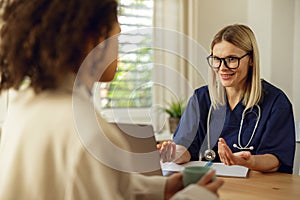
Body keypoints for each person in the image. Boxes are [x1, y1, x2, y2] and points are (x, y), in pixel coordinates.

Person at [0, 0, 224, 199]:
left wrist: (161, 188)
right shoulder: (91, 135)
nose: (120, 48)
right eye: (117, 36)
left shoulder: (23, 105)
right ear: (93, 40)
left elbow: (77, 183)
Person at [158, 24, 296, 174]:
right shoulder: (201, 98)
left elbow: (276, 159)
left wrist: (248, 161)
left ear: (251, 59)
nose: (222, 67)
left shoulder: (276, 102)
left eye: (231, 59)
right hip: (208, 184)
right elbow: (185, 147)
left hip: (256, 187)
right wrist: (173, 154)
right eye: (217, 59)